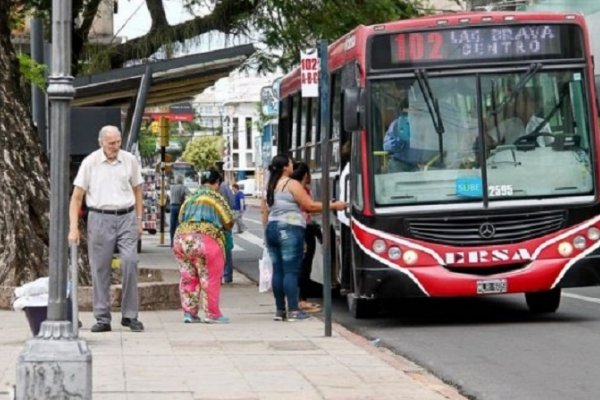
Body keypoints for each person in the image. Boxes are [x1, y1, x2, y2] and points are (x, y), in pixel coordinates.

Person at [68, 125, 145, 333]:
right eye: (111, 143)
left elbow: (138, 190)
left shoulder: (129, 159)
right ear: (101, 142)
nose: (115, 147)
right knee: (100, 268)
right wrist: (73, 228)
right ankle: (102, 317)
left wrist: (139, 220)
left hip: (126, 216)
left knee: (130, 262)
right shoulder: (90, 162)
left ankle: (130, 315)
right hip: (100, 218)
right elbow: (76, 198)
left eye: (118, 142)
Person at [261, 154, 346, 322]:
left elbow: (264, 211)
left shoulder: (270, 185)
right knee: (291, 272)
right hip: (289, 229)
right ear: (285, 167)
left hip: (272, 229)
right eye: (290, 163)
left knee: (278, 271)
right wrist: (334, 205)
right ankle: (293, 309)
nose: (292, 165)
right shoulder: (291, 184)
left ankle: (280, 310)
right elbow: (310, 206)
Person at [172, 167, 235, 323]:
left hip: (182, 240)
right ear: (216, 183)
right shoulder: (215, 197)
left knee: (188, 278)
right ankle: (212, 314)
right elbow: (228, 221)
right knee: (210, 278)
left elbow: (180, 217)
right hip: (206, 240)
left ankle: (189, 313)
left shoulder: (190, 198)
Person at [290, 162, 322, 313]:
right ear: (305, 175)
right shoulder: (300, 190)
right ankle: (301, 300)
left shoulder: (295, 189)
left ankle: (299, 299)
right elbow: (309, 207)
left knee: (302, 265)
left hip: (304, 227)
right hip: (303, 229)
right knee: (304, 265)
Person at [486, 89, 552, 147]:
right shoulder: (508, 124)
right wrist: (502, 114)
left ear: (533, 105)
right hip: (513, 160)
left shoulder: (543, 124)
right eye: (519, 103)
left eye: (527, 103)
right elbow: (488, 141)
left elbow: (550, 146)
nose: (524, 107)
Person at [218, 174, 236, 283]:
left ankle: (218, 276)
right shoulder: (225, 187)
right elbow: (233, 202)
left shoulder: (206, 189)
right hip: (225, 220)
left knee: (215, 249)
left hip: (213, 222)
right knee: (227, 248)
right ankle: (228, 275)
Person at [169, 175, 190, 247]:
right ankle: (177, 242)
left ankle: (172, 242)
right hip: (179, 207)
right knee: (178, 225)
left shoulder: (172, 187)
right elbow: (189, 194)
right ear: (182, 180)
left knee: (172, 225)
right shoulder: (183, 187)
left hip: (172, 206)